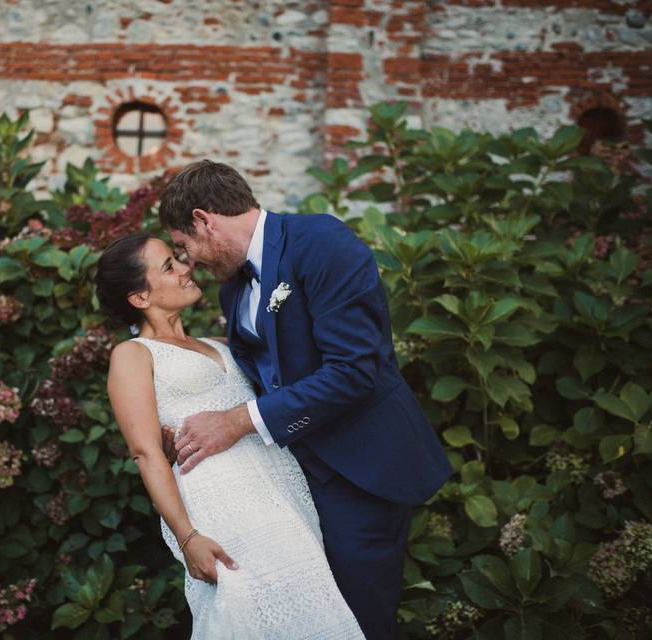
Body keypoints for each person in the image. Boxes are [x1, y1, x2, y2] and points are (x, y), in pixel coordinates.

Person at [158, 160, 452, 640]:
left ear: (205, 220)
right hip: (290, 480)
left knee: (358, 622)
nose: (188, 263)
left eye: (183, 247)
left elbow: (355, 370)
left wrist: (235, 422)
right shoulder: (233, 291)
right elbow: (266, 376)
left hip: (359, 471)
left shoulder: (321, 242)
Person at [97, 232, 365, 639]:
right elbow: (146, 453)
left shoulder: (221, 344)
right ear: (140, 298)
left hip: (283, 492)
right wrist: (188, 538)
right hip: (222, 509)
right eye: (169, 266)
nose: (186, 268)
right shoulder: (132, 355)